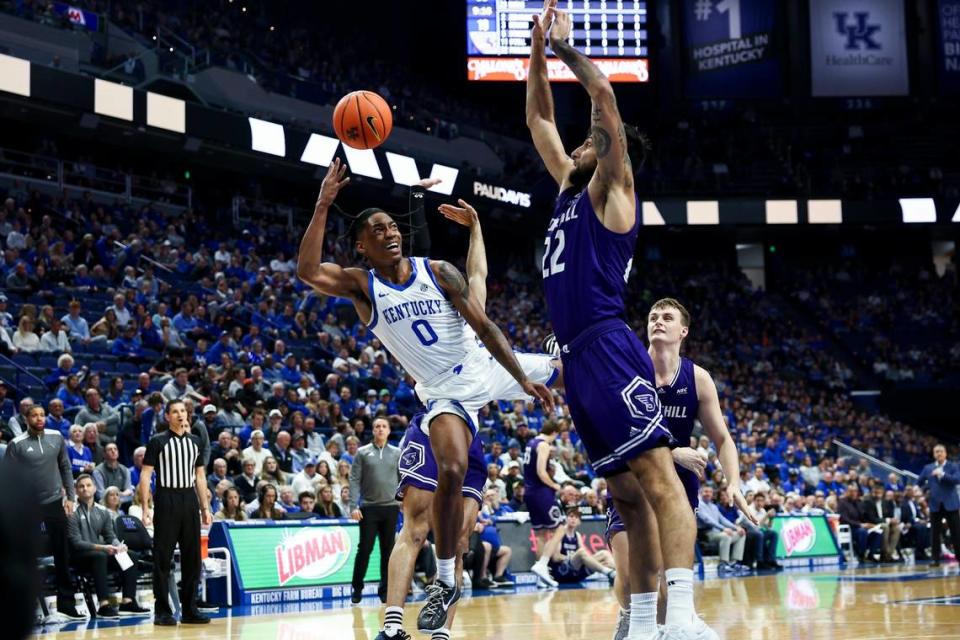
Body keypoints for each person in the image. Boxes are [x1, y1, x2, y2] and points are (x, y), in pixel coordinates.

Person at [297, 162, 556, 631]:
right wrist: (322, 204)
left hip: (485, 366)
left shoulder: (437, 271)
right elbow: (308, 270)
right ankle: (434, 587)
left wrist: (521, 378)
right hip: (442, 391)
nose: (389, 233)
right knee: (451, 467)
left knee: (569, 365)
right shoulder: (363, 286)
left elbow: (484, 316)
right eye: (377, 229)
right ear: (362, 246)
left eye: (393, 226)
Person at [526, 3, 715, 637]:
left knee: (660, 482)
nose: (576, 147)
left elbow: (601, 95)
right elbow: (539, 118)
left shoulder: (613, 192)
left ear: (610, 155)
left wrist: (565, 52)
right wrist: (532, 52)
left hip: (609, 345)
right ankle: (638, 623)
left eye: (590, 143)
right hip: (577, 359)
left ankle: (683, 619)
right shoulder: (567, 190)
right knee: (627, 497)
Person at [2, 404, 86, 619]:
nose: (39, 419)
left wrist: (70, 497)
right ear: (26, 419)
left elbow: (66, 467)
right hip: (28, 505)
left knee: (62, 553)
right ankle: (23, 609)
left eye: (42, 415)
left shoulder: (56, 437)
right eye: (35, 416)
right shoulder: (16, 444)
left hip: (55, 501)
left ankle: (66, 604)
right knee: (22, 556)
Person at [138, 399, 212, 626]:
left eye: (183, 411)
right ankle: (162, 610)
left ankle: (190, 609)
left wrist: (205, 508)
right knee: (163, 557)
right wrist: (145, 507)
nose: (181, 415)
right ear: (167, 416)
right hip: (166, 498)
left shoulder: (195, 441)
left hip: (189, 499)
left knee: (192, 558)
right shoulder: (157, 441)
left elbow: (200, 477)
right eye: (175, 412)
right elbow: (145, 476)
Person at [67, 474, 148, 617]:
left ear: (95, 488)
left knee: (131, 555)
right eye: (81, 486)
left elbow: (110, 536)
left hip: (100, 553)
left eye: (88, 485)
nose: (85, 489)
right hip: (78, 556)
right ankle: (103, 605)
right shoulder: (71, 511)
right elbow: (76, 543)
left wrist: (119, 546)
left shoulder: (102, 511)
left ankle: (128, 602)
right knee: (100, 556)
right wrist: (103, 548)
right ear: (76, 490)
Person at [348, 417, 401, 603]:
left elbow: (403, 479)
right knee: (365, 549)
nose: (380, 429)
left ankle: (385, 590)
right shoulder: (362, 453)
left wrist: (404, 501)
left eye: (383, 426)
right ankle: (357, 588)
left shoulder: (397, 453)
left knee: (388, 552)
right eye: (377, 426)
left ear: (388, 431)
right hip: (368, 508)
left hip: (391, 508)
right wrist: (353, 505)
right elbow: (354, 480)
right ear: (373, 430)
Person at [525, 420, 565, 587]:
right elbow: (541, 472)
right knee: (561, 526)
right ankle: (542, 564)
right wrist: (555, 485)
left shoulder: (531, 442)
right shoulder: (543, 445)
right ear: (554, 433)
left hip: (530, 491)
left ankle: (541, 577)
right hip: (541, 492)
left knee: (541, 533)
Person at [541, 506, 615, 584]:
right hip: (561, 571)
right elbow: (556, 557)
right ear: (566, 518)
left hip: (576, 571)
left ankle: (617, 575)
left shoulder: (577, 535)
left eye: (576, 517)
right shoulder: (561, 533)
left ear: (579, 522)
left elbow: (585, 556)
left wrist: (590, 561)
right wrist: (572, 557)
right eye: (571, 516)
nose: (573, 519)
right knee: (581, 552)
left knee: (604, 554)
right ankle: (608, 572)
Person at [917, 444, 960, 568]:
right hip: (935, 504)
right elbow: (919, 482)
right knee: (934, 534)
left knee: (956, 532)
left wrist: (942, 474)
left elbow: (957, 480)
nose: (939, 454)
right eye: (936, 452)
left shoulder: (953, 466)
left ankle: (959, 557)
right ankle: (935, 559)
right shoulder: (927, 468)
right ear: (934, 454)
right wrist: (918, 490)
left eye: (941, 451)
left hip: (951, 504)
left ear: (945, 453)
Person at [697, 486, 748, 574]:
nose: (708, 494)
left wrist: (736, 528)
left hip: (718, 533)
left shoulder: (714, 506)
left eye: (710, 492)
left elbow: (723, 520)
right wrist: (723, 529)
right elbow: (707, 520)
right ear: (701, 493)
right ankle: (723, 564)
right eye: (705, 491)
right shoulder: (698, 505)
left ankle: (734, 562)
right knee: (726, 536)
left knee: (741, 534)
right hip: (707, 533)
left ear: (712, 494)